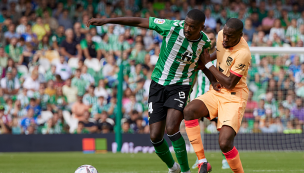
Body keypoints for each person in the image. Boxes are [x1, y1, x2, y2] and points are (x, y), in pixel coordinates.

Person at [88, 9, 211, 173]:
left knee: (172, 127)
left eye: (192, 27)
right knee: (155, 136)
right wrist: (108, 20)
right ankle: (172, 167)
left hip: (181, 86)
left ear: (201, 27)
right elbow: (140, 21)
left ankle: (186, 170)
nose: (187, 29)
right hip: (158, 85)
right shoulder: (171, 27)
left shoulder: (204, 42)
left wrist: (215, 80)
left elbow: (205, 63)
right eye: (186, 25)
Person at [184, 18, 251, 173]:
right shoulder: (221, 34)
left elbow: (229, 83)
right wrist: (204, 62)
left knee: (225, 143)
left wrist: (207, 65)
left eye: (230, 36)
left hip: (234, 96)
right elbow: (219, 53)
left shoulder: (243, 53)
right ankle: (202, 162)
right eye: (225, 34)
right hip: (217, 91)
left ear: (240, 35)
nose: (225, 38)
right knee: (189, 111)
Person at [191, 29, 230, 170]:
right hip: (200, 97)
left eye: (212, 38)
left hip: (216, 97)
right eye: (208, 38)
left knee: (222, 128)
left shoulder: (221, 55)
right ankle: (200, 159)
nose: (210, 41)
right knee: (196, 128)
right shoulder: (199, 56)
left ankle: (225, 159)